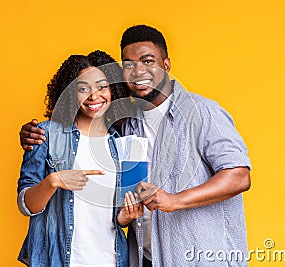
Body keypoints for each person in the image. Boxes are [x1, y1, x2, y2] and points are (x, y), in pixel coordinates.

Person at [20, 25, 252, 267]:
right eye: (128, 65)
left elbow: (239, 176)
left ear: (166, 64)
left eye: (148, 60)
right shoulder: (126, 127)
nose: (138, 71)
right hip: (146, 257)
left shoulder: (203, 112)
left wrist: (176, 200)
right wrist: (33, 135)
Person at [17, 50, 138, 267]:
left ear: (113, 89)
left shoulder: (124, 145)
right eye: (83, 88)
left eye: (102, 86)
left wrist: (126, 217)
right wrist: (53, 181)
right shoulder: (46, 135)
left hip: (112, 260)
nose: (94, 96)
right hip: (59, 260)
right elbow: (27, 205)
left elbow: (118, 217)